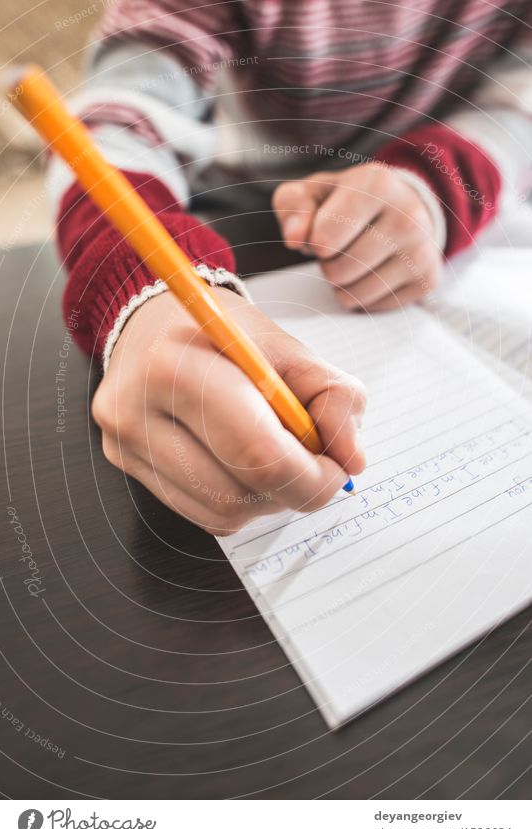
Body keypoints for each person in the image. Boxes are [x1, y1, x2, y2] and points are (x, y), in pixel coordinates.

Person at [49, 0, 532, 535]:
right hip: (226, 218)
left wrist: (437, 186)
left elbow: (521, 100)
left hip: (463, 215)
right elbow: (116, 123)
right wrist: (144, 291)